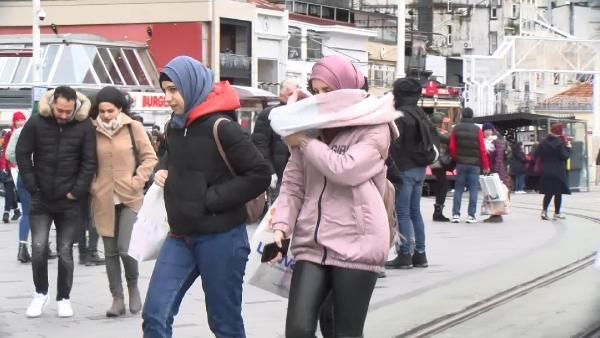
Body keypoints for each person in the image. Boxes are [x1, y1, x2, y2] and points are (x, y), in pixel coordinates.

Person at [142, 56, 270, 338]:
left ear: (191, 86)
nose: (168, 98)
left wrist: (209, 200)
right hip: (179, 237)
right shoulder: (173, 126)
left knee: (224, 325)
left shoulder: (222, 127)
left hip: (222, 238)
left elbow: (260, 174)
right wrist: (160, 171)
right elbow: (170, 159)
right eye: (164, 90)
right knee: (154, 314)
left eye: (174, 90)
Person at [270, 54, 396, 338]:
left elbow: (345, 169)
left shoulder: (375, 127)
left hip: (357, 243)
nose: (321, 98)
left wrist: (304, 142)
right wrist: (281, 225)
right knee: (298, 330)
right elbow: (293, 184)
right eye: (316, 91)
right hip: (312, 244)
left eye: (328, 90)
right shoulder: (309, 126)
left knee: (344, 333)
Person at [16, 86, 96, 318]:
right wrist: (32, 185)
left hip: (69, 200)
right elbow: (22, 153)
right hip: (41, 197)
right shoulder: (36, 122)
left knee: (64, 251)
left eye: (67, 111)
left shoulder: (84, 126)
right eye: (59, 110)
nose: (63, 115)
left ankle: (64, 297)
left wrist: (77, 191)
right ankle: (40, 293)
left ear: (75, 108)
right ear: (52, 104)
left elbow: (89, 161)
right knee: (39, 248)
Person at [90, 86, 158, 317]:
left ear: (119, 108)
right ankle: (116, 298)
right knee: (109, 252)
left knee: (125, 247)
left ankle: (133, 287)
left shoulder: (133, 127)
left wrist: (137, 180)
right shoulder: (91, 130)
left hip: (129, 197)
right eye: (102, 111)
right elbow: (85, 161)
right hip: (103, 197)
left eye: (110, 110)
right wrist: (93, 185)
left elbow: (150, 157)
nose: (106, 115)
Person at [385, 78, 430, 270]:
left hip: (403, 168)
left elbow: (394, 144)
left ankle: (404, 254)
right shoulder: (420, 114)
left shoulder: (400, 115)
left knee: (402, 212)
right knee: (414, 211)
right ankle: (420, 254)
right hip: (420, 168)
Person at [251, 79, 299, 199]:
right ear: (280, 92)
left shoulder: (299, 114)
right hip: (277, 174)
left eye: (292, 92)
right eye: (287, 90)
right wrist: (270, 171)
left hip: (295, 174)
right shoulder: (268, 114)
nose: (289, 94)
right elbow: (260, 146)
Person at [449, 107, 490, 223]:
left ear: (462, 115)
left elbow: (452, 147)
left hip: (461, 163)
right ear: (472, 116)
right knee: (473, 190)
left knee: (458, 189)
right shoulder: (477, 130)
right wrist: (486, 165)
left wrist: (455, 157)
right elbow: (482, 149)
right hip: (475, 164)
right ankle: (471, 215)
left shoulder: (456, 129)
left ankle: (455, 215)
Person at [5, 112, 29, 262]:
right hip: (40, 176)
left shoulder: (17, 133)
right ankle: (43, 246)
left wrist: (21, 163)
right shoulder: (45, 131)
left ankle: (22, 248)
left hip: (23, 174)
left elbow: (9, 154)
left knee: (26, 213)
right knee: (42, 214)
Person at [536, 123, 571, 220]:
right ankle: (557, 213)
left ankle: (544, 211)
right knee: (558, 193)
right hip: (558, 171)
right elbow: (564, 156)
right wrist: (568, 148)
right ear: (559, 132)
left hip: (546, 170)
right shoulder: (560, 143)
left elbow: (536, 154)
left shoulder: (543, 142)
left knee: (548, 192)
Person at [481, 123, 510, 223]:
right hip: (488, 171)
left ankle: (498, 215)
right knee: (491, 193)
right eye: (485, 130)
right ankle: (493, 214)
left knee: (498, 192)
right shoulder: (484, 142)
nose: (487, 132)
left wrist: (495, 172)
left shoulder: (497, 141)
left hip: (497, 172)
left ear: (492, 131)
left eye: (489, 130)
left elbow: (499, 158)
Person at [0, 112, 24, 223]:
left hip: (24, 165)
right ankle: (6, 212)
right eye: (18, 120)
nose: (20, 122)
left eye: (22, 119)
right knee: (9, 187)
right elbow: (6, 151)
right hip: (12, 165)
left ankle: (17, 210)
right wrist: (4, 166)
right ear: (14, 121)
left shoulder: (28, 131)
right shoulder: (9, 134)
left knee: (17, 190)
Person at [430, 112, 451, 222]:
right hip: (438, 163)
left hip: (437, 163)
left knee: (442, 185)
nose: (444, 125)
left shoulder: (437, 132)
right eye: (443, 123)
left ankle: (438, 210)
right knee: (442, 186)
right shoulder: (435, 132)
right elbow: (447, 140)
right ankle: (438, 212)